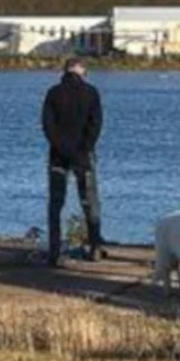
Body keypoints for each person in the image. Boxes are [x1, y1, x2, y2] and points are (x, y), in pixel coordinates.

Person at [41, 58, 105, 264]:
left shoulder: (53, 93)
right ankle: (95, 246)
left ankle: (54, 250)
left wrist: (61, 147)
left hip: (58, 155)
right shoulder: (91, 93)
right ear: (82, 71)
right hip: (83, 155)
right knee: (90, 201)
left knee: (56, 203)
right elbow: (96, 125)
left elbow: (47, 126)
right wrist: (84, 148)